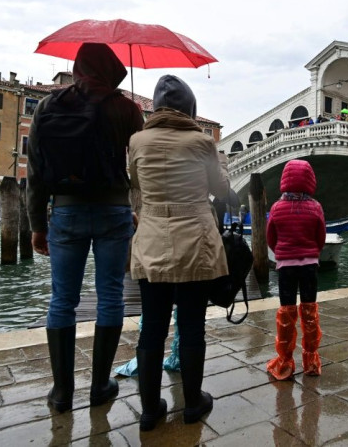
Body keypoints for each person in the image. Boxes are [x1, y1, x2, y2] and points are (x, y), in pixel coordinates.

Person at [26, 43, 143, 414]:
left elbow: (35, 172)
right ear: (111, 68)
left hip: (66, 211)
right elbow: (139, 166)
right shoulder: (126, 107)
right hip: (113, 210)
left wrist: (37, 226)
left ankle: (61, 393)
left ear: (77, 68)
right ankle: (99, 387)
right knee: (110, 295)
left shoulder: (48, 105)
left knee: (63, 299)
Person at [128, 75, 230, 430]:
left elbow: (136, 187)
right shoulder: (202, 142)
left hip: (152, 238)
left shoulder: (137, 141)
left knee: (152, 329)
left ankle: (149, 410)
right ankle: (192, 404)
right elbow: (221, 189)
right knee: (191, 326)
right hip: (195, 242)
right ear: (190, 108)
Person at [266, 160, 326, 380]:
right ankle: (310, 360)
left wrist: (283, 253)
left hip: (286, 267)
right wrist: (311, 252)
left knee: (287, 313)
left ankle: (285, 362)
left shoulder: (276, 208)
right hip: (309, 265)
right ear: (310, 180)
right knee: (310, 312)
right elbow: (320, 238)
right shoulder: (316, 207)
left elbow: (271, 238)